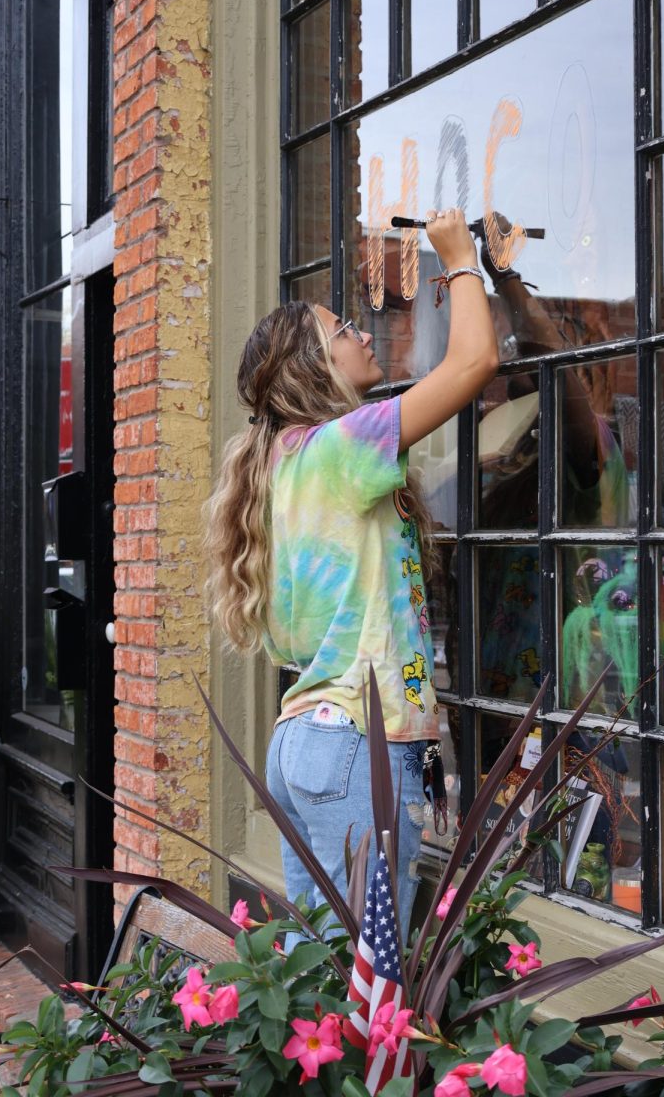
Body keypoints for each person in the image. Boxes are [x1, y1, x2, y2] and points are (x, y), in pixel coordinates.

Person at [204, 208, 499, 935]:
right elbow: (472, 366)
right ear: (316, 365)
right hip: (357, 751)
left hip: (302, 745)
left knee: (326, 983)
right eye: (345, 331)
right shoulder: (342, 447)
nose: (365, 333)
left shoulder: (275, 463)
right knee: (369, 991)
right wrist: (459, 258)